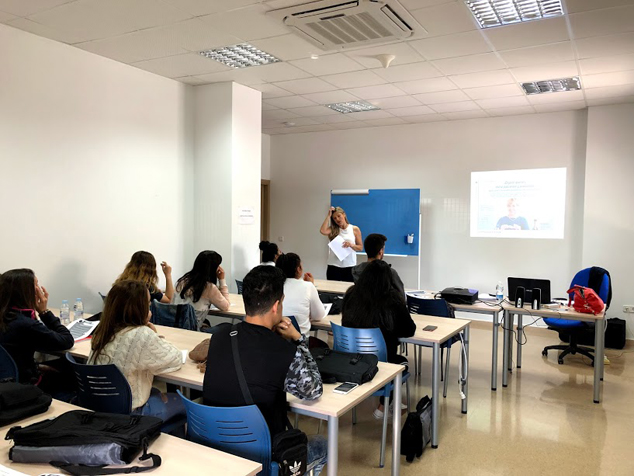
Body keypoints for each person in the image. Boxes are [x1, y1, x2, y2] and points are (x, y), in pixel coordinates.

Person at [203, 266, 327, 475]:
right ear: (276, 305)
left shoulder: (219, 337)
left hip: (216, 444)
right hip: (262, 453)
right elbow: (314, 390)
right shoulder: (283, 351)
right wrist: (298, 339)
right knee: (322, 444)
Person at [89, 280, 185, 421]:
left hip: (100, 407)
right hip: (131, 414)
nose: (150, 307)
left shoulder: (101, 332)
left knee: (155, 391)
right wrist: (155, 334)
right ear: (140, 308)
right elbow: (175, 358)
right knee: (182, 401)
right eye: (148, 304)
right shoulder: (141, 335)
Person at [342, 260, 415, 419]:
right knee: (401, 363)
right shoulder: (393, 300)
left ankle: (389, 402)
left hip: (352, 360)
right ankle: (384, 405)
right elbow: (410, 330)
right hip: (381, 363)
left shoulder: (351, 295)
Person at [0, 269, 75, 395]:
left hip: (8, 381)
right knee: (71, 370)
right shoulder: (25, 324)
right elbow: (66, 341)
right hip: (24, 388)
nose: (39, 289)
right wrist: (44, 312)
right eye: (35, 285)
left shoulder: (7, 316)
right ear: (26, 292)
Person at [173, 250, 230, 329]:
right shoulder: (209, 287)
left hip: (177, 325)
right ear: (213, 269)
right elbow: (226, 306)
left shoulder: (182, 281)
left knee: (206, 322)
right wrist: (222, 280)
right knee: (227, 326)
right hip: (193, 328)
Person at [275, 253, 326, 336]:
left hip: (275, 338)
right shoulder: (308, 286)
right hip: (300, 339)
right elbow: (318, 315)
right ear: (298, 269)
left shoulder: (273, 286)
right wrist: (311, 285)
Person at [352, 233, 405, 299]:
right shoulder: (390, 273)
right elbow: (401, 297)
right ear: (381, 251)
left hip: (362, 305)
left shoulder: (355, 270)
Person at [319, 206, 362, 282]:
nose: (337, 219)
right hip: (334, 265)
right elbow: (323, 231)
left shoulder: (354, 229)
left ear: (344, 215)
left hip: (349, 265)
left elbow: (360, 247)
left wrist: (351, 245)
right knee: (332, 287)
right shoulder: (333, 229)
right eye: (335, 218)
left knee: (348, 288)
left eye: (339, 216)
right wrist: (328, 216)